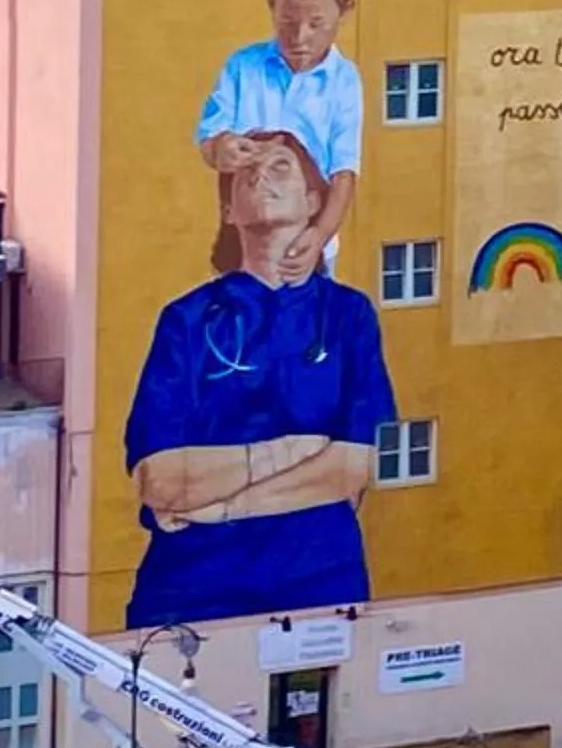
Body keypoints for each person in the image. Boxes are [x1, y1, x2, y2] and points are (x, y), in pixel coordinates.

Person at [123, 127, 394, 627]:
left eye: (280, 169)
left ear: (315, 201)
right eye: (246, 174)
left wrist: (220, 506)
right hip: (190, 587)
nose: (260, 178)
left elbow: (354, 467)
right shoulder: (186, 319)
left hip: (318, 579)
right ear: (228, 211)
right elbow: (161, 482)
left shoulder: (348, 315)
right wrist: (300, 451)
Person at [196, 0, 364, 277]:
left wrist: (318, 236)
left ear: (344, 12)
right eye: (287, 21)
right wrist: (220, 148)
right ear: (272, 7)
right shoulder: (243, 67)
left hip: (309, 250)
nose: (299, 37)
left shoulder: (344, 82)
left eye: (316, 23)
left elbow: (343, 175)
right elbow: (210, 140)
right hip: (241, 248)